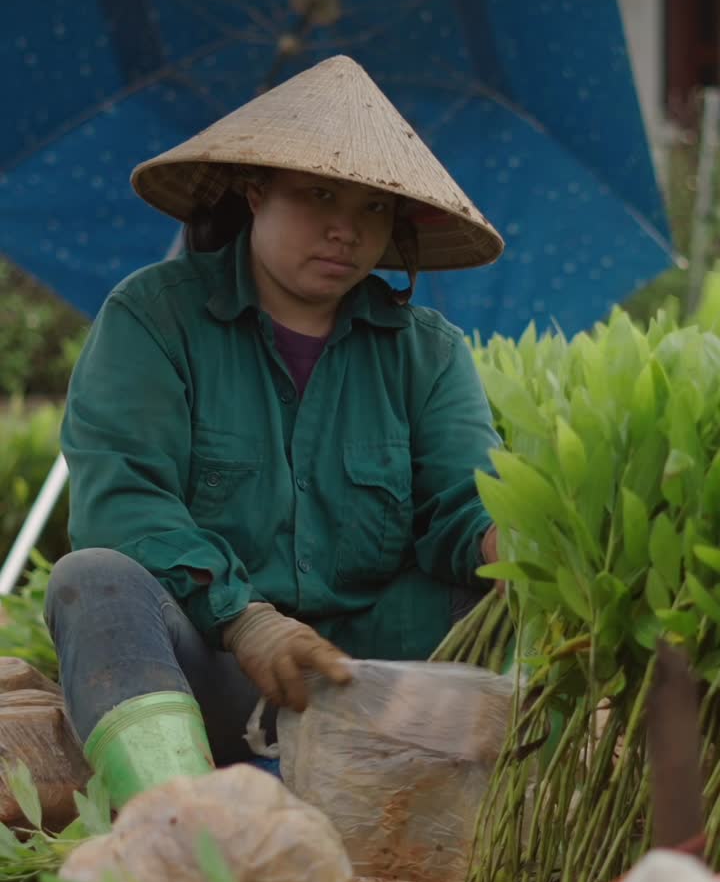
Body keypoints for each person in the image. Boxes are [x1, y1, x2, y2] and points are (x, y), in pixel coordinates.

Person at [45, 55, 504, 810]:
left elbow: (463, 501)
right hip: (220, 677)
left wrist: (511, 543)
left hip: (381, 687)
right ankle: (184, 830)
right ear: (254, 191)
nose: (345, 229)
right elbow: (125, 499)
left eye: (372, 208)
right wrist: (245, 619)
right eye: (318, 194)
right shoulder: (154, 319)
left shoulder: (427, 350)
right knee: (92, 578)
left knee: (503, 588)